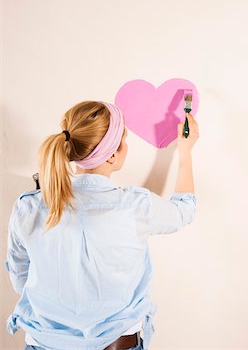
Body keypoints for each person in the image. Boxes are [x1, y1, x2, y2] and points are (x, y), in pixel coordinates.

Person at [4, 100, 199, 350]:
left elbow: (21, 278)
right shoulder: (135, 206)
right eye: (125, 139)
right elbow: (184, 210)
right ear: (114, 154)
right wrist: (185, 151)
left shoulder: (27, 208)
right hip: (118, 343)